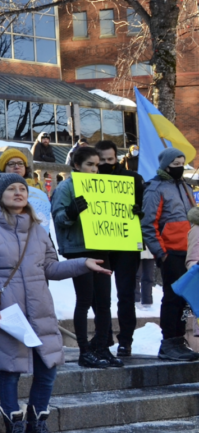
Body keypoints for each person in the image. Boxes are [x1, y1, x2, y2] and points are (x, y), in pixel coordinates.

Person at [0, 173, 109, 433]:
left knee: (47, 369)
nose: (19, 192)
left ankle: (37, 427)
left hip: (40, 310)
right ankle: (15, 432)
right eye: (11, 188)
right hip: (8, 314)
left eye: (22, 188)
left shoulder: (38, 229)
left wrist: (82, 264)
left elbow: (50, 268)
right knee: (11, 371)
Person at [51, 146, 121, 369]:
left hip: (101, 245)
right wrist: (71, 212)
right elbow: (59, 218)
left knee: (104, 302)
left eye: (97, 165)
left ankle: (102, 347)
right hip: (79, 249)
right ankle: (84, 350)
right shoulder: (66, 186)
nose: (94, 169)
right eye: (89, 165)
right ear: (76, 165)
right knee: (84, 300)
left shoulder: (103, 186)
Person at [141, 147, 199, 361]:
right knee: (173, 298)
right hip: (171, 252)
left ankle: (178, 340)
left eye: (182, 164)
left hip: (188, 251)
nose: (180, 168)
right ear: (166, 165)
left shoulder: (184, 185)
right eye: (175, 164)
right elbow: (148, 223)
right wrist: (161, 253)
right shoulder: (156, 188)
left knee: (184, 298)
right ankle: (168, 343)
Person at [95, 140, 147, 357]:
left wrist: (139, 209)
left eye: (111, 159)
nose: (108, 163)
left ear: (117, 158)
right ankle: (103, 336)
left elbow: (146, 205)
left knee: (126, 294)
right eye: (103, 160)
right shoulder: (89, 179)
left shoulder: (133, 179)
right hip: (101, 244)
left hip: (126, 244)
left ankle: (125, 340)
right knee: (101, 296)